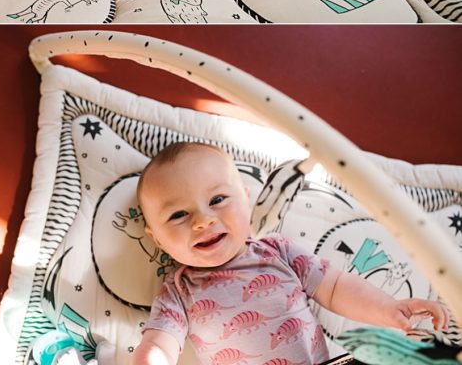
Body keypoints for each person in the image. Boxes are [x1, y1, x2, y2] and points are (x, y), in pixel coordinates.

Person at [129, 142, 449, 365]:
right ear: (156, 239)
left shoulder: (277, 251)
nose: (203, 221)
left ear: (247, 199)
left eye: (217, 200)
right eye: (178, 215)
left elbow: (336, 288)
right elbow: (159, 344)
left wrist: (389, 309)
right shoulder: (179, 290)